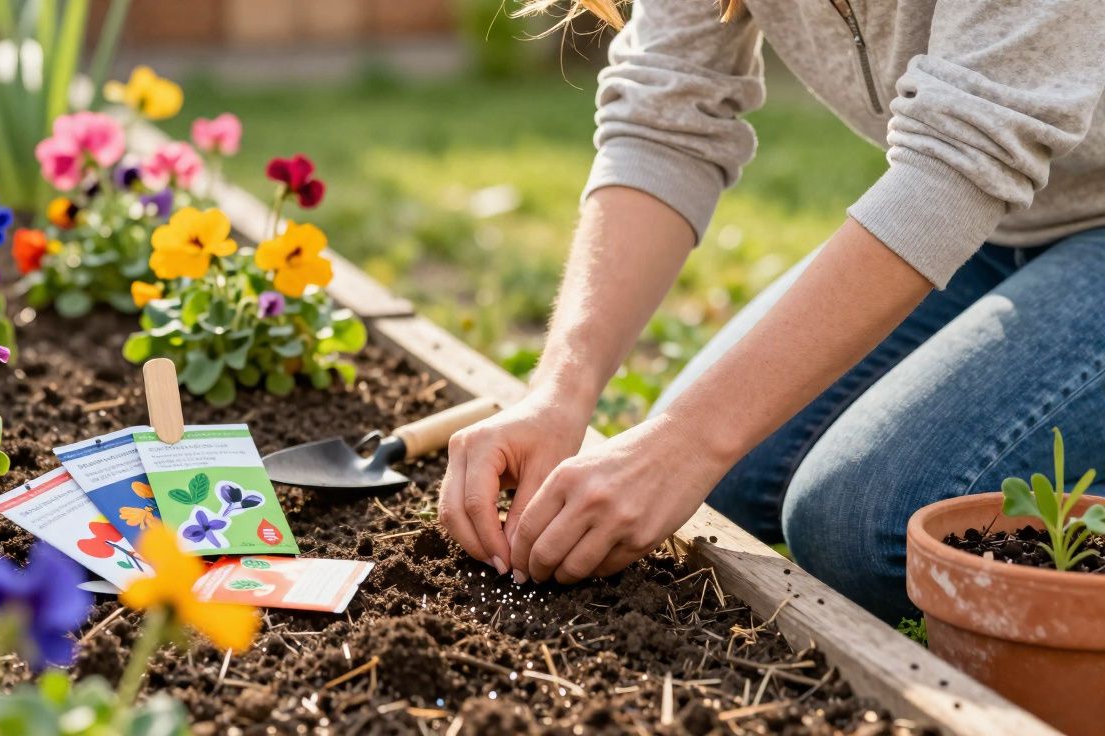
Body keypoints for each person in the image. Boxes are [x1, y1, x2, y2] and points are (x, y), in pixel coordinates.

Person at [436, 0, 1105, 623]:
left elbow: (965, 159)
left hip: (1009, 199)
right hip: (996, 222)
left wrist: (688, 440)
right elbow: (665, 119)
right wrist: (559, 393)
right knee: (719, 481)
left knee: (859, 526)